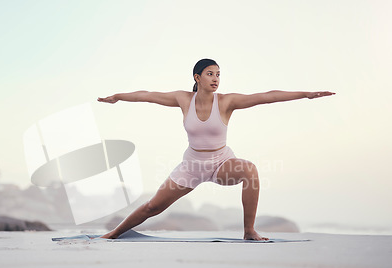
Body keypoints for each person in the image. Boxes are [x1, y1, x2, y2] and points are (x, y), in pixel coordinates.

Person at [97, 58, 335, 240]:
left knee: (249, 171)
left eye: (219, 75)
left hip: (221, 163)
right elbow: (147, 96)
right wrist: (118, 96)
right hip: (191, 166)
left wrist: (305, 95)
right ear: (197, 77)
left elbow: (266, 96)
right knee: (153, 207)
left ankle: (249, 230)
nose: (216, 78)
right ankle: (113, 234)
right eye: (210, 74)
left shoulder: (226, 102)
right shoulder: (183, 99)